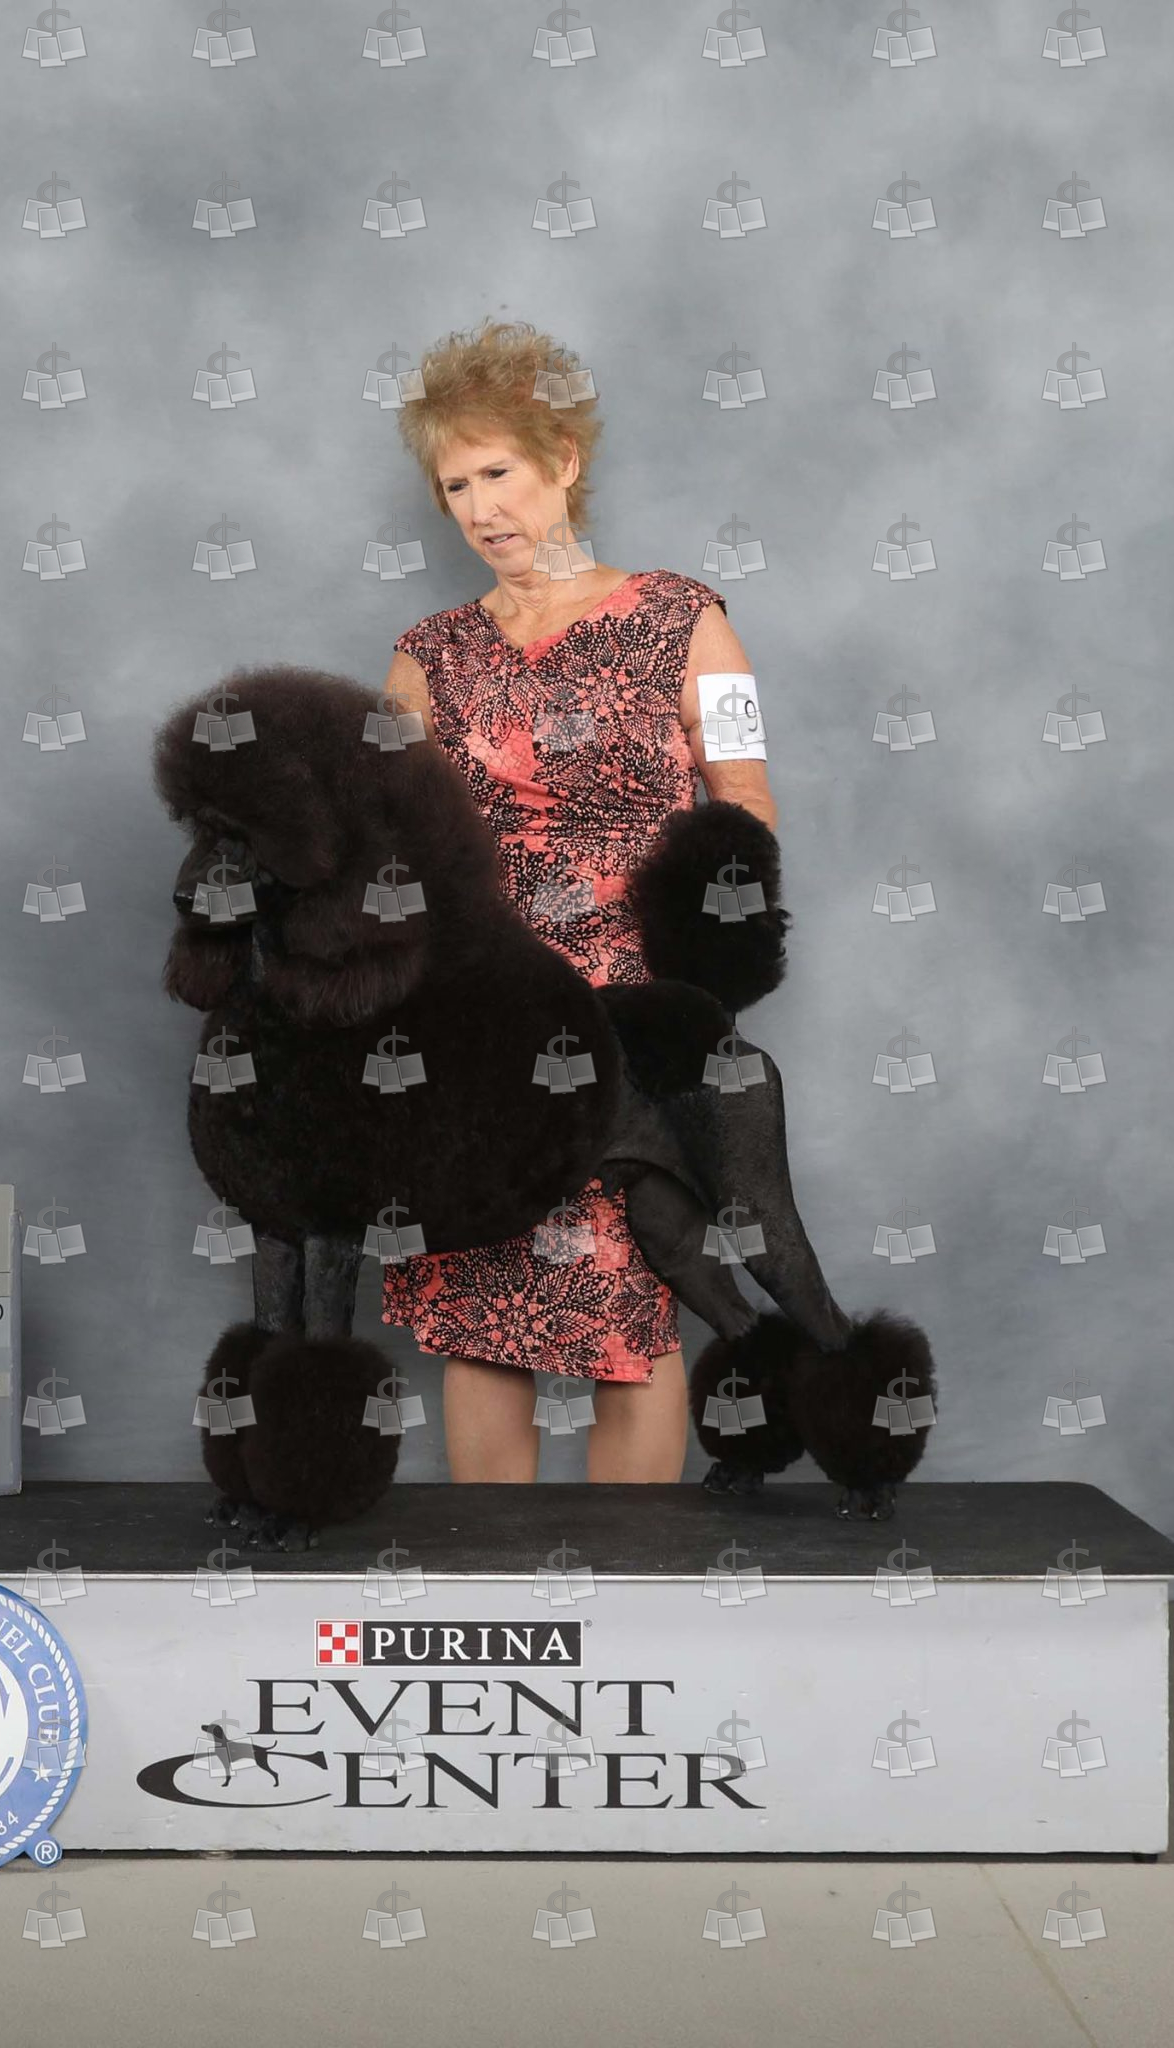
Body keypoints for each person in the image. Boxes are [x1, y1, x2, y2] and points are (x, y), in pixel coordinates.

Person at [374, 317, 778, 1486]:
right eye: (456, 486)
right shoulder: (423, 657)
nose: (480, 507)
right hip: (477, 1023)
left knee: (631, 1315)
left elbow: (745, 806)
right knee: (480, 1313)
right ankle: (493, 1575)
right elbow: (385, 852)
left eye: (497, 471)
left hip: (631, 1024)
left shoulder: (690, 620)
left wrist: (702, 991)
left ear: (563, 460)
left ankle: (629, 1582)